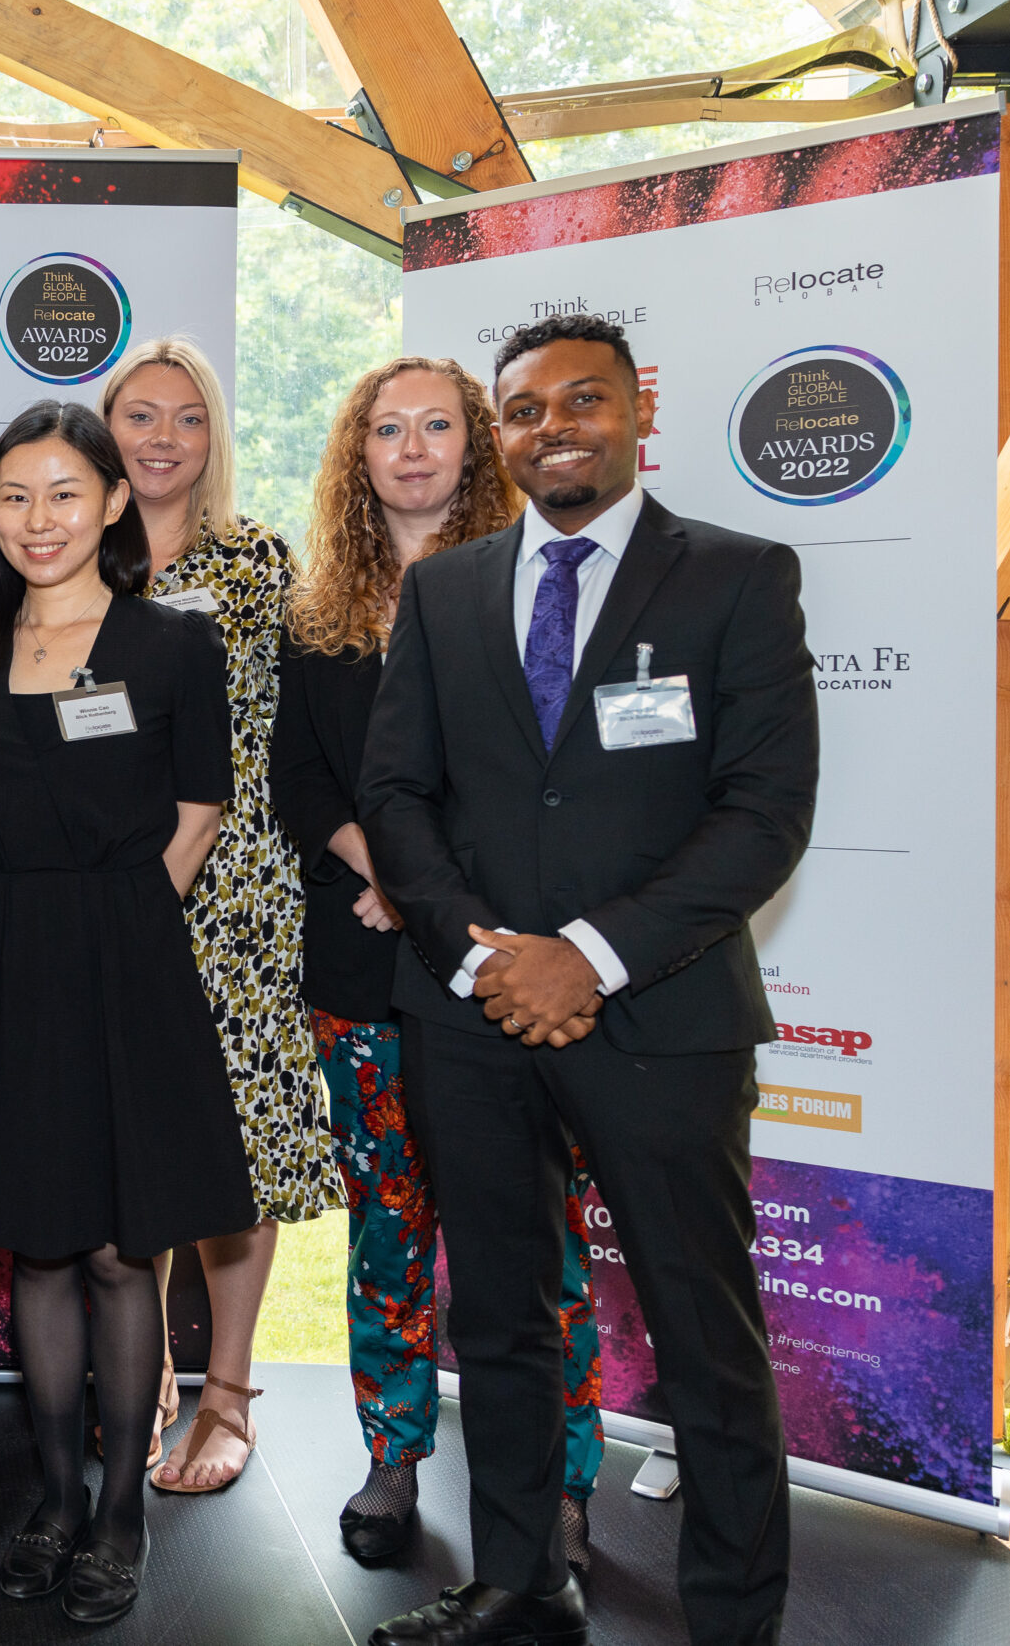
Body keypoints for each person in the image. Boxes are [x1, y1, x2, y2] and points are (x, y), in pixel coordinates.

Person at [359, 314, 816, 1646]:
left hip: (660, 1014)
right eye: (522, 407)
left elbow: (764, 811)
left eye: (582, 399)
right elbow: (396, 790)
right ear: (499, 433)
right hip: (474, 1012)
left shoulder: (736, 576)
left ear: (635, 409)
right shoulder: (446, 591)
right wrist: (487, 953)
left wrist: (591, 954)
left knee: (702, 1330)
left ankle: (734, 1614)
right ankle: (516, 1577)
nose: (551, 424)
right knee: (497, 1311)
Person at [0, 400, 258, 1626]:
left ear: (110, 501)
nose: (35, 520)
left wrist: (118, 925)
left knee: (115, 1252)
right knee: (33, 1248)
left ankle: (118, 1513)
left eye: (60, 493)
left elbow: (199, 806)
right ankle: (52, 1497)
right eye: (11, 496)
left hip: (123, 958)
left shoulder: (170, 644)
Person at [275, 356, 611, 1573]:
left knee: (536, 1235)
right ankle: (392, 1457)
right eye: (384, 430)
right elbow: (301, 779)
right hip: (361, 971)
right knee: (389, 1228)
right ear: (355, 457)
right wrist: (382, 877)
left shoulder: (538, 592)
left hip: (504, 969)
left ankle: (560, 1488)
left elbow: (543, 783)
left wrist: (429, 900)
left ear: (474, 442)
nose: (410, 449)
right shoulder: (316, 618)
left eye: (435, 426)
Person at [104, 336, 343, 1492]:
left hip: (238, 891)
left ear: (213, 439)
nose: (159, 439)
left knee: (240, 1143)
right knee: (126, 1140)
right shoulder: (63, 550)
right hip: (99, 886)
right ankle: (141, 1374)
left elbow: (291, 739)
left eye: (184, 418)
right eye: (138, 416)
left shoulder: (259, 561)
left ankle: (232, 1391)